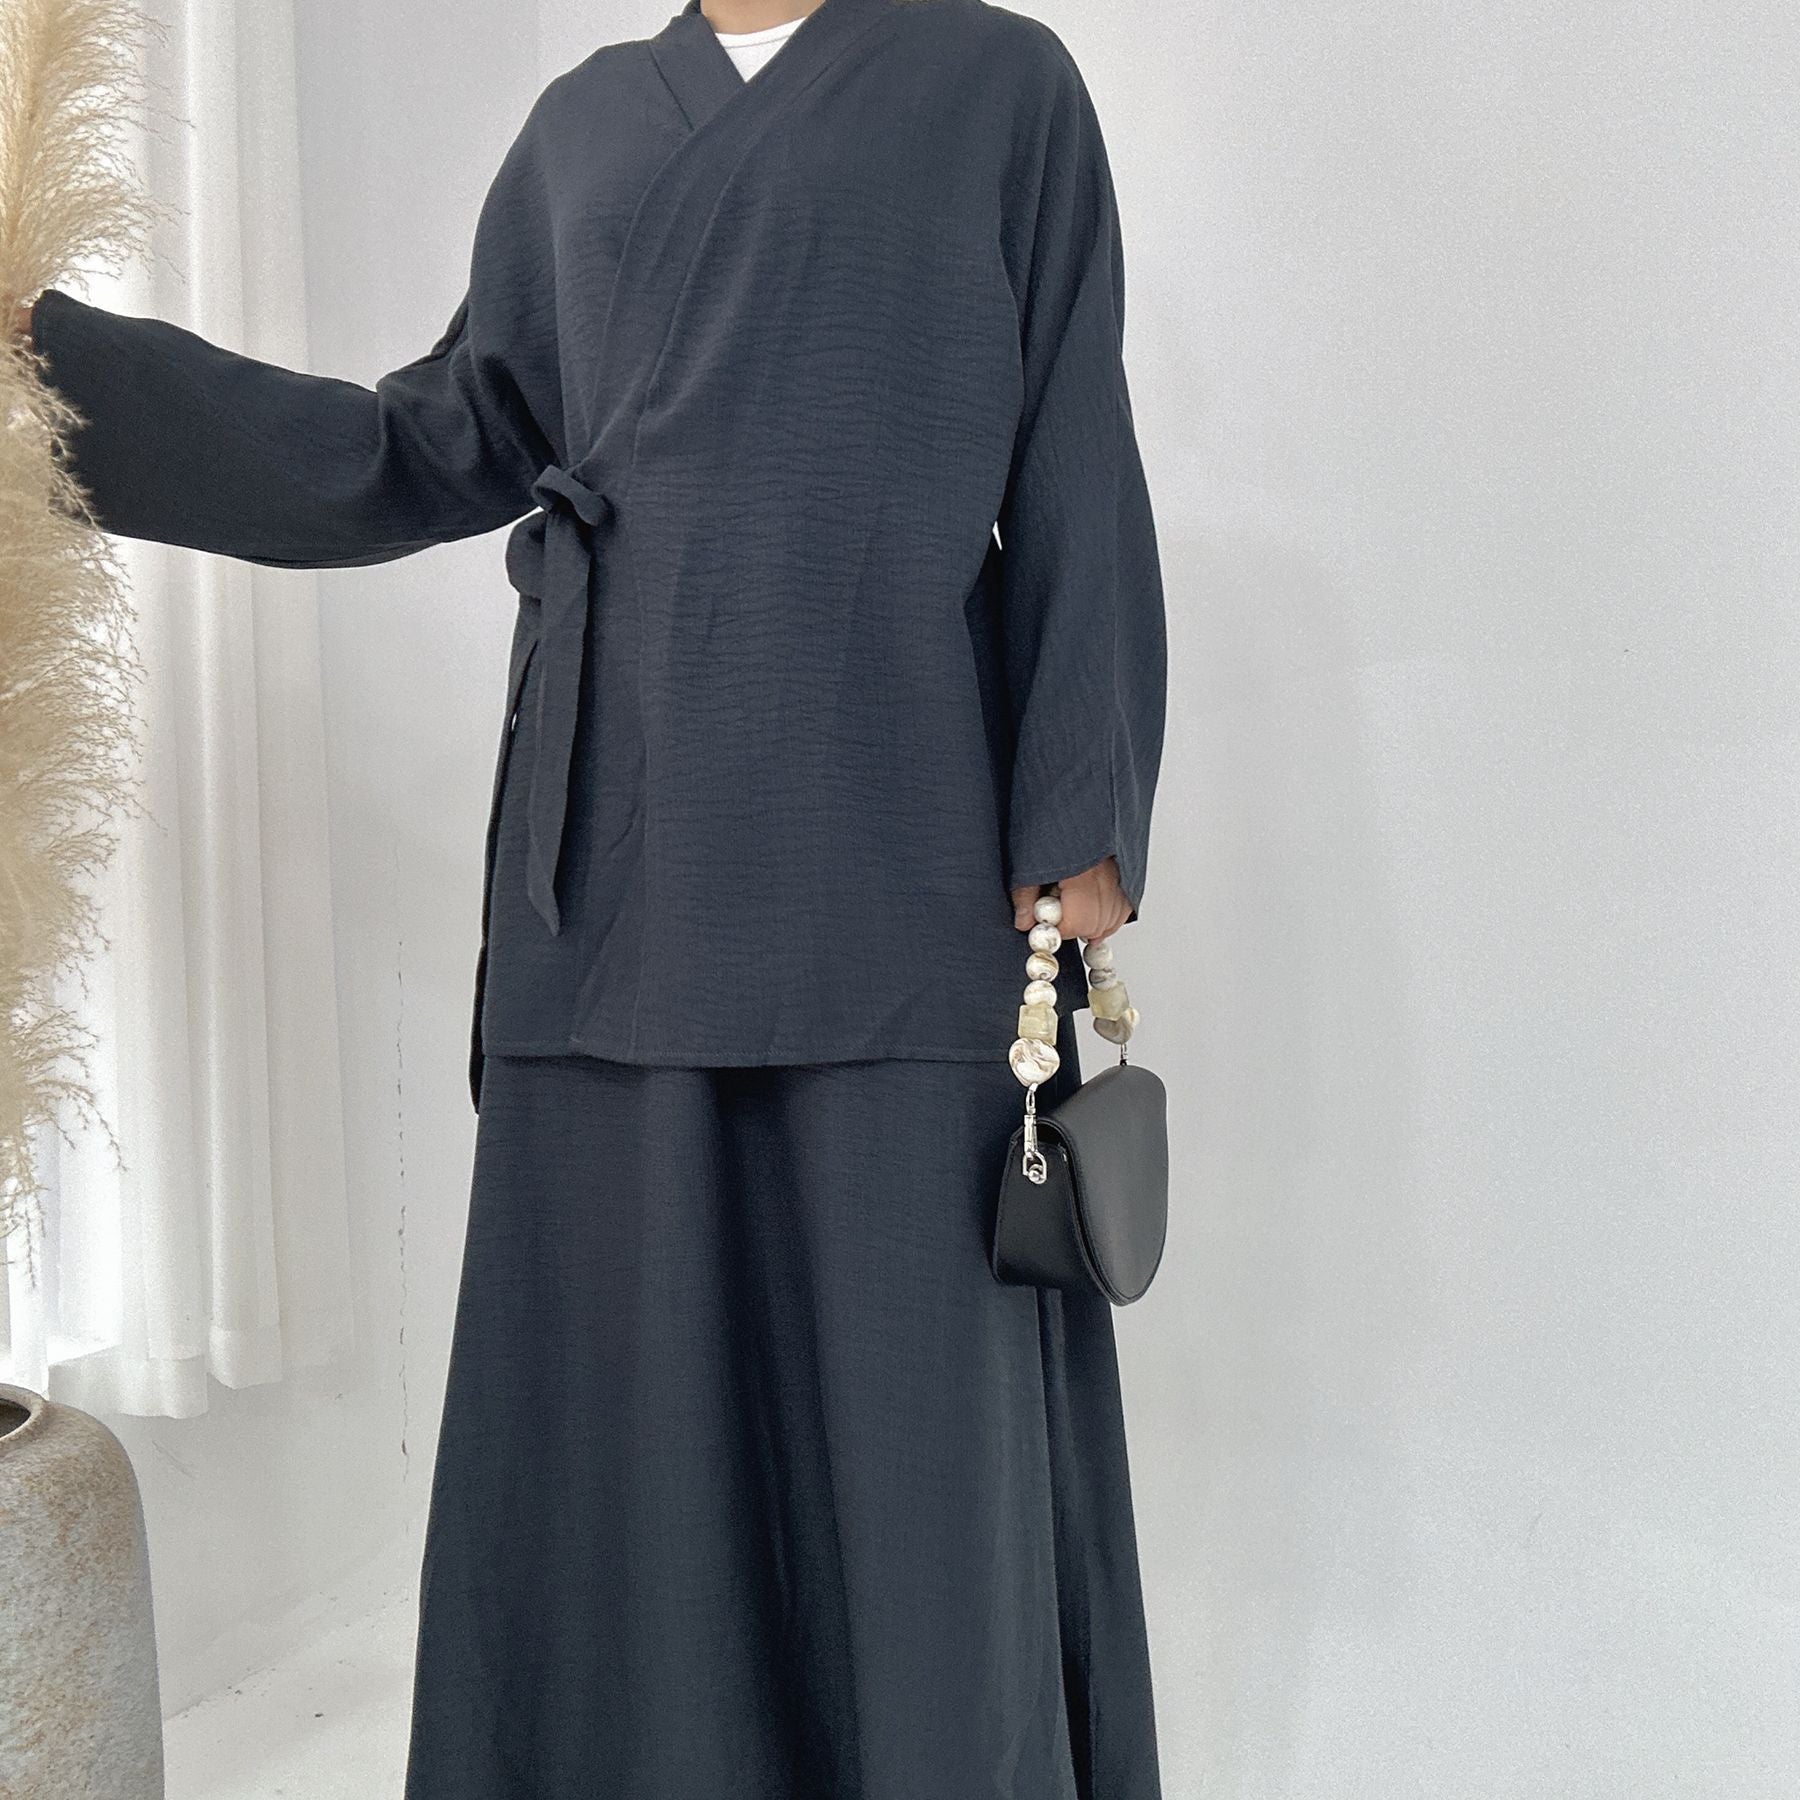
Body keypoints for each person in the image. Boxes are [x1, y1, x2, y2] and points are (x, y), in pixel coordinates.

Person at [9, 0, 1168, 1794]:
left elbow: (1073, 445)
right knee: (626, 1412)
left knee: (915, 1415)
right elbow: (422, 443)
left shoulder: (1001, 85)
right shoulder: (583, 127)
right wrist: (49, 370)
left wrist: (1077, 805)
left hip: (898, 850)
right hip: (613, 857)